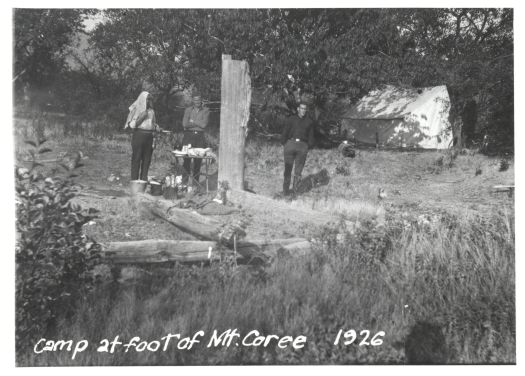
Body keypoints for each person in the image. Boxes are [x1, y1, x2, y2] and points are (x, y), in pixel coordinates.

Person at [281, 102, 315, 195]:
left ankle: (295, 192)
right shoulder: (291, 119)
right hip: (290, 144)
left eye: (305, 109)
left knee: (298, 171)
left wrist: (307, 147)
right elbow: (285, 132)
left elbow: (311, 137)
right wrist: (285, 143)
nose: (303, 110)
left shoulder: (309, 122)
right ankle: (285, 191)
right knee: (288, 169)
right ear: (298, 109)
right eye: (301, 108)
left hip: (302, 146)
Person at [127, 92, 162, 181]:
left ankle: (143, 181)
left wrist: (156, 127)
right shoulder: (136, 109)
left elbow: (153, 123)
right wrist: (141, 117)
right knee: (137, 158)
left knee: (147, 160)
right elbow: (131, 125)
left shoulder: (151, 111)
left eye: (150, 99)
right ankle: (134, 181)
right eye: (147, 99)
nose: (149, 101)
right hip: (139, 135)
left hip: (149, 136)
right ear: (143, 100)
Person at [182, 93, 210, 184]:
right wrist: (198, 123)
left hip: (200, 137)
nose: (197, 102)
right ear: (192, 101)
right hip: (188, 136)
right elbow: (185, 124)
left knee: (198, 161)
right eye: (195, 100)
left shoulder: (206, 110)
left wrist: (193, 121)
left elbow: (204, 125)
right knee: (186, 160)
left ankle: (195, 186)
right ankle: (184, 185)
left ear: (201, 100)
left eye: (199, 100)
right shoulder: (188, 110)